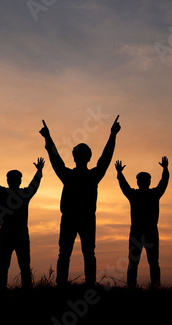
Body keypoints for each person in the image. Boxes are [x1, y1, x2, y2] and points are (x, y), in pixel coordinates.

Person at [39, 116, 121, 286]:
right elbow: (105, 159)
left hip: (75, 218)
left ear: (75, 157)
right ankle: (86, 283)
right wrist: (112, 135)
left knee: (68, 253)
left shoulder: (70, 176)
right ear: (88, 158)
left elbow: (56, 160)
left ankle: (64, 283)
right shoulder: (91, 176)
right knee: (86, 253)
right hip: (82, 218)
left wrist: (48, 138)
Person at [0, 153, 45, 294]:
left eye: (15, 179)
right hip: (15, 234)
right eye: (13, 179)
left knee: (12, 267)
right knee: (16, 266)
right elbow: (34, 185)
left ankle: (5, 293)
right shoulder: (21, 194)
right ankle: (24, 293)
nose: (14, 181)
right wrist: (39, 171)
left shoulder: (4, 193)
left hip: (12, 233)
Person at [115, 156, 169, 288]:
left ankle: (132, 287)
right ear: (149, 182)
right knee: (153, 263)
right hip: (149, 232)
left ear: (138, 182)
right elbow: (164, 181)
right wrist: (165, 169)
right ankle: (154, 288)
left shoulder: (135, 195)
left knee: (135, 263)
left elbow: (124, 186)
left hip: (138, 232)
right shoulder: (154, 194)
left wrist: (120, 173)